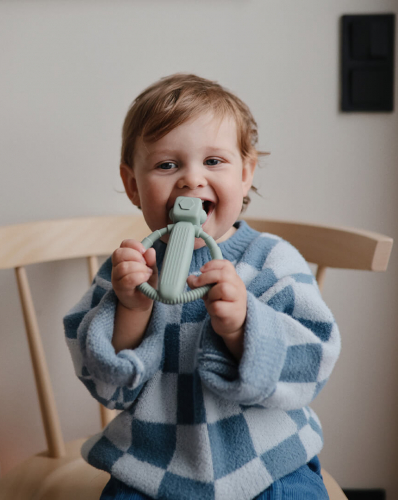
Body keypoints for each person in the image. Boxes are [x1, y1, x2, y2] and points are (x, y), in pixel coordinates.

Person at [64, 73, 340, 500]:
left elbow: (312, 362)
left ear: (245, 174)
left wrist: (242, 326)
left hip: (270, 461)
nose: (192, 180)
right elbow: (106, 384)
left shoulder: (273, 260)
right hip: (153, 465)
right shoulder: (128, 269)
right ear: (133, 185)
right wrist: (131, 309)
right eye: (167, 164)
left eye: (213, 161)